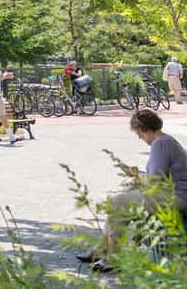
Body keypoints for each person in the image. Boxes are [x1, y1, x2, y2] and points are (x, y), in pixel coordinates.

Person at [75, 109, 187, 272]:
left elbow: (154, 180)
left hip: (177, 197)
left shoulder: (160, 144)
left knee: (118, 202)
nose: (140, 138)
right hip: (174, 193)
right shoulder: (167, 141)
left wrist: (136, 174)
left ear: (144, 129)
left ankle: (110, 255)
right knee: (123, 199)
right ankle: (104, 249)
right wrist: (138, 175)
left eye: (138, 133)